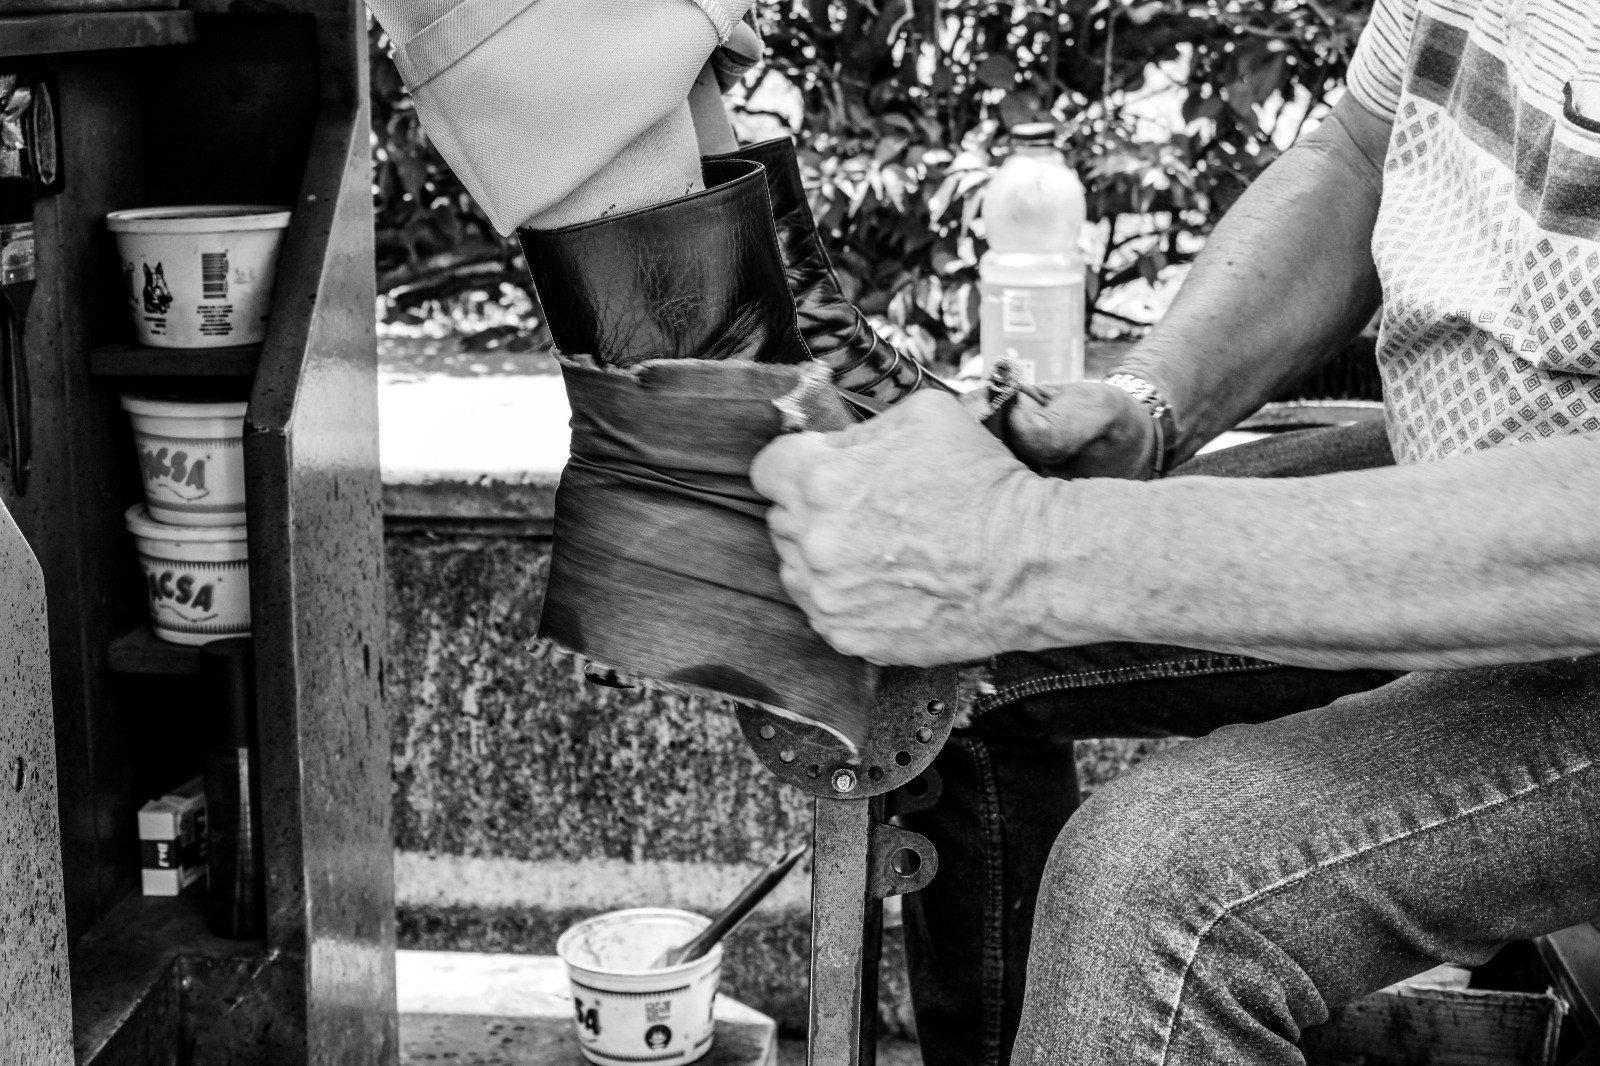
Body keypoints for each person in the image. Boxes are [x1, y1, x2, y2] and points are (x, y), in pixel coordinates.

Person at [751, 0, 1600, 1062]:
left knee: (1151, 890)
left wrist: (1024, 547)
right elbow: (1361, 151)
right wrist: (1153, 409)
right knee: (946, 665)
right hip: (1463, 467)